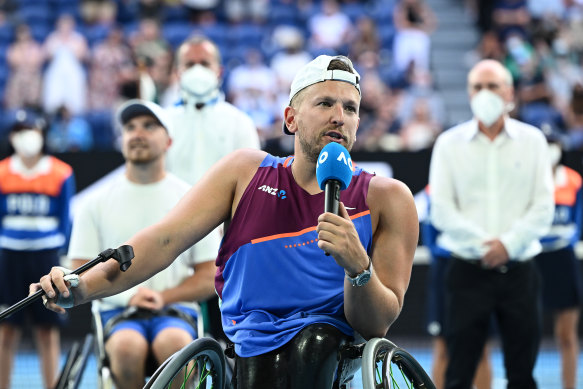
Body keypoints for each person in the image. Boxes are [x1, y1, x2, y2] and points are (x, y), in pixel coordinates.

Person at [33, 55, 419, 389]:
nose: (340, 117)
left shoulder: (388, 198)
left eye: (351, 108)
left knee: (312, 342)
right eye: (325, 103)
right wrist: (80, 287)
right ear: (290, 118)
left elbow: (377, 324)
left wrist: (358, 268)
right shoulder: (244, 173)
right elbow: (162, 242)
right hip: (250, 353)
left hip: (333, 356)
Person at [67, 99, 220, 389]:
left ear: (169, 141)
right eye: (130, 127)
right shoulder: (94, 203)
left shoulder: (191, 199)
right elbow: (78, 273)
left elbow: (209, 274)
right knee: (127, 348)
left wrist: (165, 297)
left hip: (176, 312)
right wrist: (128, 298)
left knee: (174, 345)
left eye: (149, 126)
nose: (138, 133)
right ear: (121, 139)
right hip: (117, 313)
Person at [429, 59, 555, 389]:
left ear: (510, 92)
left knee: (522, 375)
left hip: (520, 273)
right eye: (478, 87)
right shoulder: (448, 144)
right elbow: (441, 209)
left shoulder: (533, 141)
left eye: (493, 86)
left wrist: (508, 246)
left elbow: (543, 207)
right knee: (458, 373)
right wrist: (487, 247)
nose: (485, 93)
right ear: (469, 93)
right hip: (467, 272)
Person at [0, 110, 75, 389]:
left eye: (30, 129)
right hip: (10, 257)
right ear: (11, 136)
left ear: (42, 134)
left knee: (47, 330)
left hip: (45, 257)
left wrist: (64, 256)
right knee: (6, 329)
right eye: (19, 130)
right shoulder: (2, 171)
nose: (26, 136)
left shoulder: (61, 172)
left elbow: (66, 218)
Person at [417, 186, 492, 389]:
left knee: (482, 347)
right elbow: (430, 236)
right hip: (445, 273)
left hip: (479, 271)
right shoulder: (434, 191)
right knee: (442, 346)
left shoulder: (481, 186)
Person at [164, 35, 260, 186]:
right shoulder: (164, 122)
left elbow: (252, 180)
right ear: (177, 73)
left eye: (204, 63)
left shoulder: (239, 122)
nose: (197, 70)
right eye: (189, 65)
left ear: (219, 71)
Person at [534, 130, 582, 389]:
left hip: (563, 261)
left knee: (566, 333)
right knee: (525, 330)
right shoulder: (530, 179)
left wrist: (564, 239)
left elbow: (577, 222)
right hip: (533, 261)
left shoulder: (573, 180)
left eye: (555, 144)